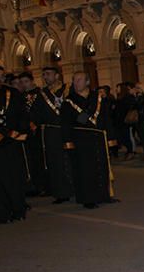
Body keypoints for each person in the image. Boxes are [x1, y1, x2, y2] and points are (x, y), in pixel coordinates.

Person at [61, 72, 117, 209]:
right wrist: (68, 142)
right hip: (81, 140)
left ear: (87, 82)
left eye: (79, 80)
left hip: (98, 138)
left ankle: (104, 195)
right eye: (74, 80)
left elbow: (106, 118)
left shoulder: (98, 98)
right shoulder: (69, 102)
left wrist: (111, 138)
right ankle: (88, 198)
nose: (76, 83)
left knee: (101, 166)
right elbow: (66, 124)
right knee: (85, 170)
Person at [31, 66, 73, 204]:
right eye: (44, 74)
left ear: (57, 76)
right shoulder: (42, 95)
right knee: (55, 163)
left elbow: (78, 109)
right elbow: (35, 115)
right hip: (52, 133)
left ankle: (76, 188)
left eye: (48, 74)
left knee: (72, 160)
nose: (45, 77)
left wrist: (87, 123)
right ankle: (61, 193)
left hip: (69, 130)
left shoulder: (68, 89)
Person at [0, 80, 29, 223]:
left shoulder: (12, 94)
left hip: (11, 141)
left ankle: (18, 209)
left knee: (14, 177)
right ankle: (2, 213)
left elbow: (22, 115)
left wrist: (15, 132)